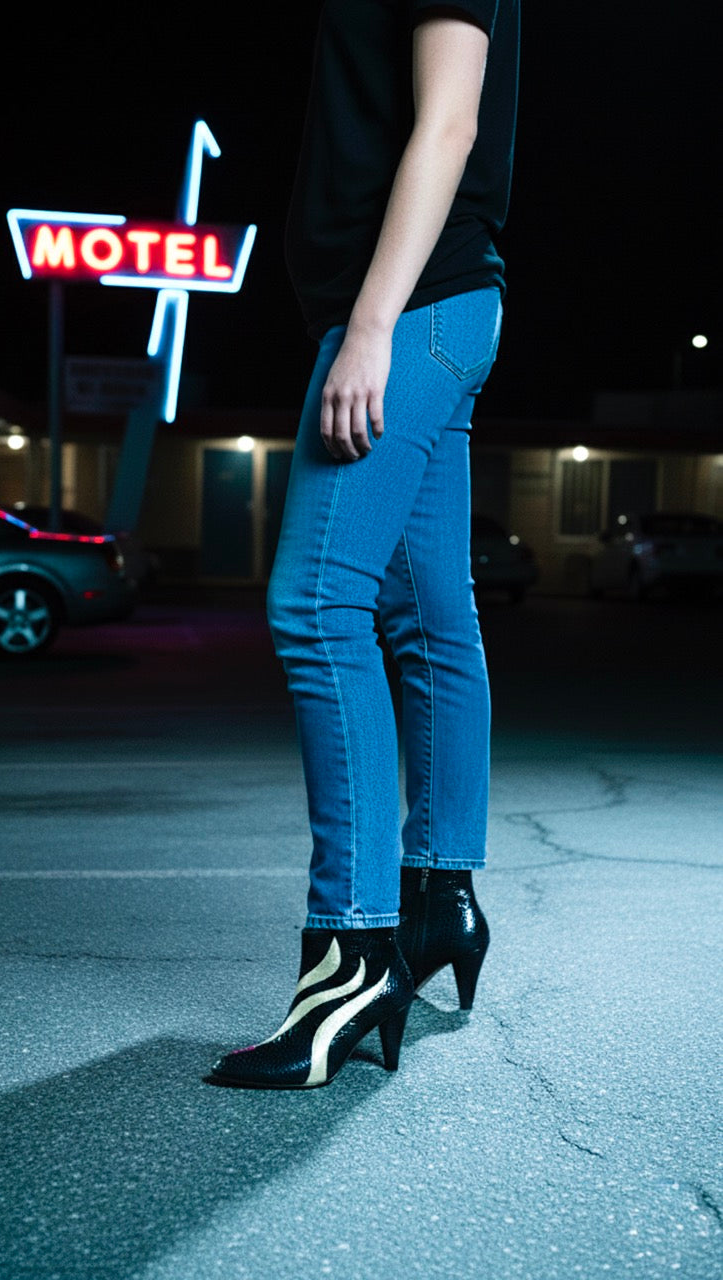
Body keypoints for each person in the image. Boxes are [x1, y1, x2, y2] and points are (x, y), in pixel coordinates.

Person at [207, 0, 519, 1090]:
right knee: (429, 618)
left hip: (409, 307)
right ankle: (439, 900)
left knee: (314, 604)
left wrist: (372, 325)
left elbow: (450, 120)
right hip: (437, 303)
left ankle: (351, 955)